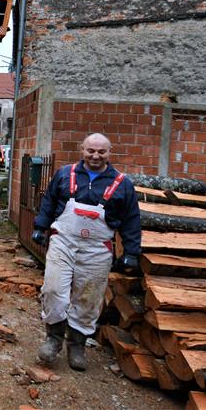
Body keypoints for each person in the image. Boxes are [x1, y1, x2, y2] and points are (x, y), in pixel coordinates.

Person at [31, 133, 140, 371]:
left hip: (97, 250)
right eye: (91, 151)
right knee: (52, 289)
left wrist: (131, 251)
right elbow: (48, 201)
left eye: (102, 152)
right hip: (63, 243)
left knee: (88, 298)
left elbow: (132, 219)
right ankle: (53, 338)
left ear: (110, 153)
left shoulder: (122, 184)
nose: (96, 156)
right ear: (82, 149)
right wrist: (40, 227)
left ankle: (77, 344)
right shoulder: (64, 174)